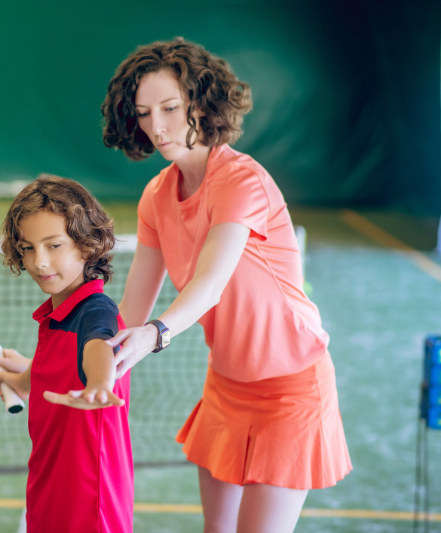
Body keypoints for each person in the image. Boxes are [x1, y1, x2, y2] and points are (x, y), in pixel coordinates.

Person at [100, 38, 352, 533]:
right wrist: (57, 363)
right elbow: (129, 310)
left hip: (291, 388)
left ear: (202, 102)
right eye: (145, 113)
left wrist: (156, 334)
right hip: (226, 388)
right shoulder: (155, 197)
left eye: (171, 108)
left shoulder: (242, 182)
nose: (158, 126)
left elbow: (210, 282)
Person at [0, 175, 134, 533]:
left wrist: (99, 384)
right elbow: (53, 371)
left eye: (54, 245)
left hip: (87, 496)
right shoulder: (57, 314)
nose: (39, 262)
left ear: (86, 244)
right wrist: (20, 380)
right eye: (27, 248)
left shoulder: (95, 311)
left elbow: (98, 347)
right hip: (49, 478)